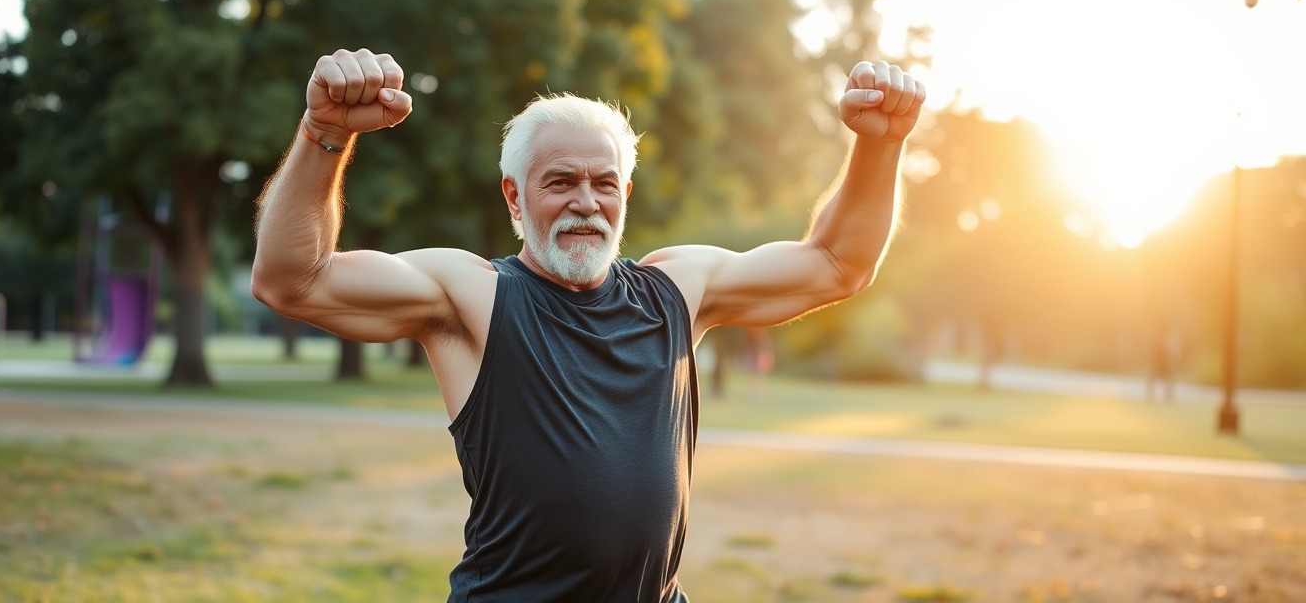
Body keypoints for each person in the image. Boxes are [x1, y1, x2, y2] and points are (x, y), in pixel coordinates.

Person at [252, 48, 924, 603]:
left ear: (624, 195)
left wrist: (879, 144)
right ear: (514, 196)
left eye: (604, 184)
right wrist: (324, 135)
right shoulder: (472, 296)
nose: (585, 203)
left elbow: (837, 263)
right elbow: (293, 279)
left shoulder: (676, 291)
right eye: (560, 182)